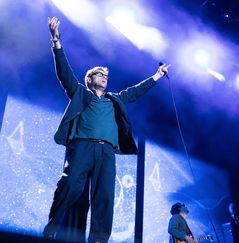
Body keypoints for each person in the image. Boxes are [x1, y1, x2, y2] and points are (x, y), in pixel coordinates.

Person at [43, 17, 170, 243]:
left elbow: (135, 91)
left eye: (107, 76)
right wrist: (56, 41)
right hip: (83, 146)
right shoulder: (81, 93)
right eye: (100, 74)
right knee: (70, 185)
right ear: (90, 79)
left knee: (104, 197)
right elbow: (64, 73)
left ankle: (99, 240)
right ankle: (52, 227)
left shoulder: (114, 99)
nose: (105, 78)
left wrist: (157, 76)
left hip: (107, 153)